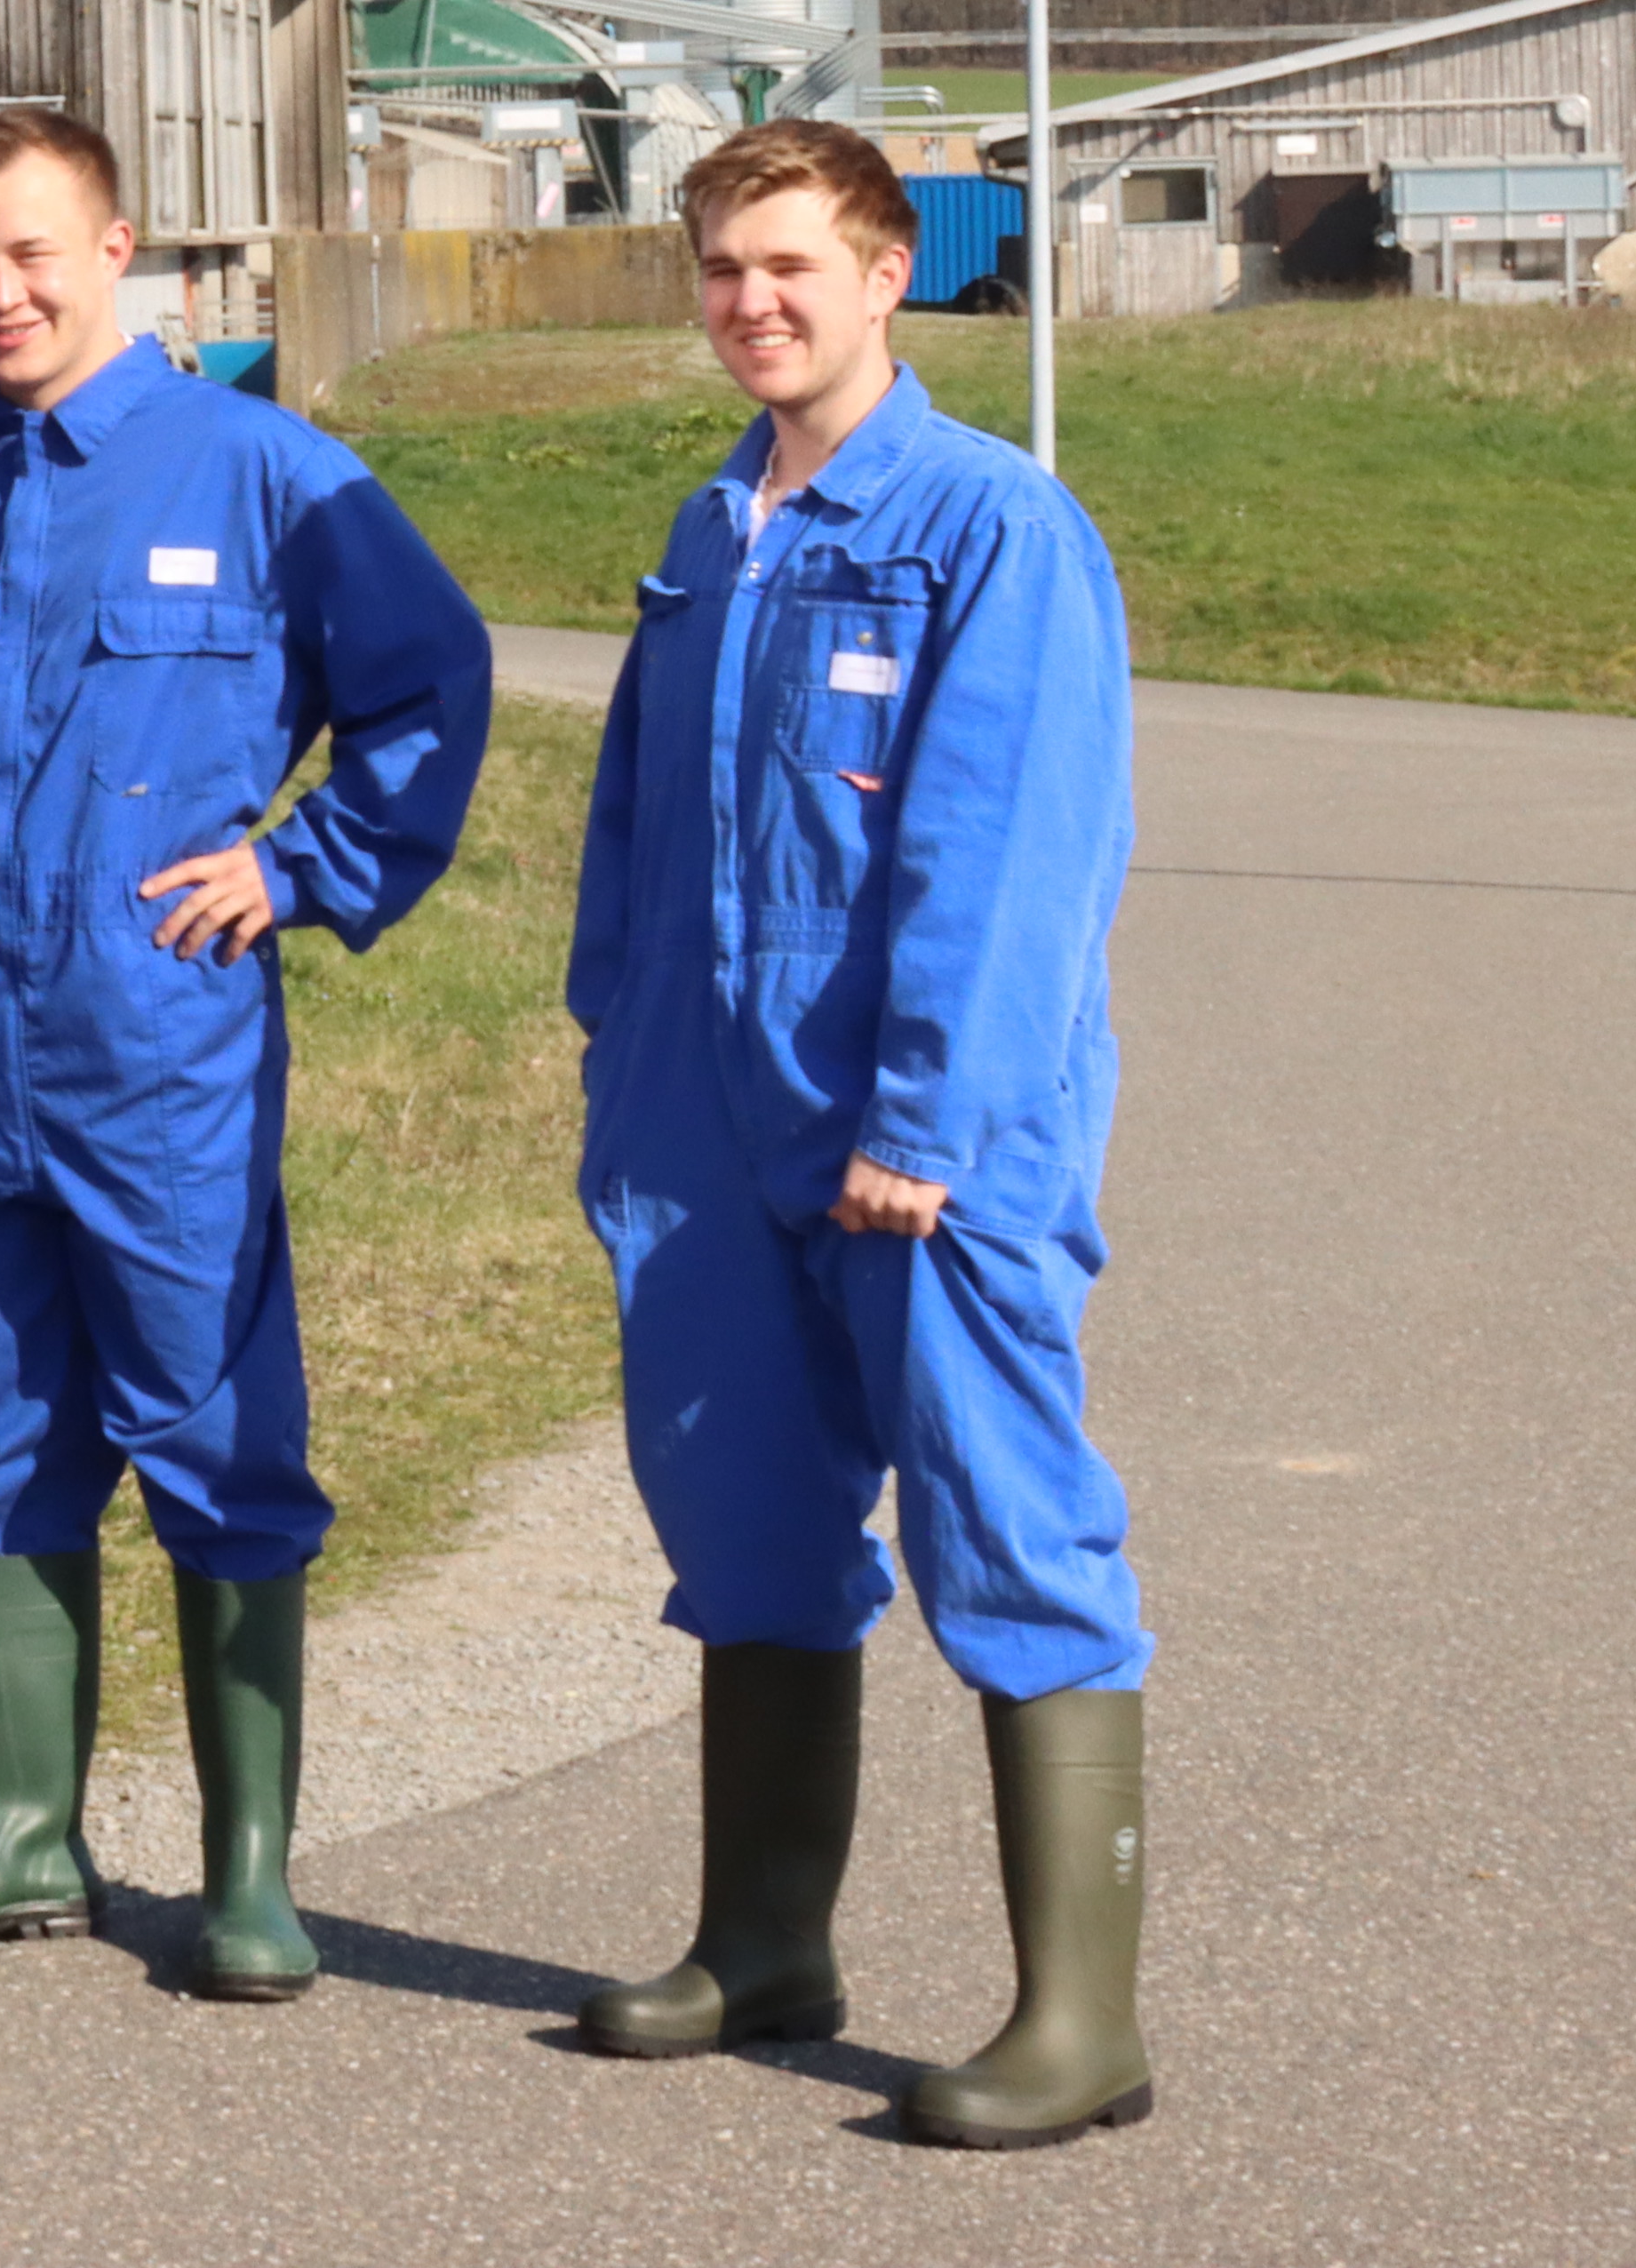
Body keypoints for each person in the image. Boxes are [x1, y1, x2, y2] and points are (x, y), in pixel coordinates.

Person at [0, 105, 491, 2001]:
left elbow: (430, 687)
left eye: (35, 253)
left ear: (122, 253)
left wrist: (305, 866)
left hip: (153, 1046)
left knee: (215, 1425)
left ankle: (248, 1870)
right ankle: (15, 1828)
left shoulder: (262, 472)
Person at [562, 120, 1151, 2149]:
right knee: (744, 1528)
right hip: (706, 1129)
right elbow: (639, 828)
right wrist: (616, 1058)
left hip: (921, 1142)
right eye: (723, 266)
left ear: (892, 271)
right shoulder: (715, 526)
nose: (754, 302)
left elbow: (1008, 861)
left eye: (794, 264)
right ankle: (765, 1944)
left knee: (1007, 1525)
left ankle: (1080, 2018)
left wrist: (927, 1119)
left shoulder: (990, 527)